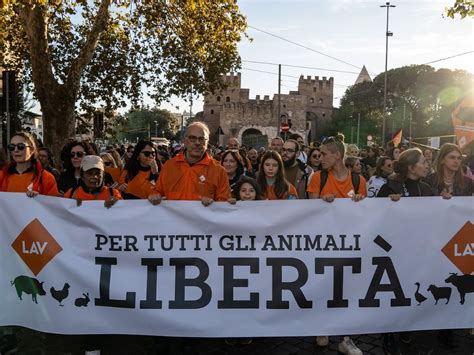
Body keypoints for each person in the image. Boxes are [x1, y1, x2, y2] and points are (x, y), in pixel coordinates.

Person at [148, 122, 231, 206]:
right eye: (192, 138)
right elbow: (157, 191)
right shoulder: (169, 166)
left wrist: (213, 203)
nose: (197, 143)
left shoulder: (219, 171)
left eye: (202, 139)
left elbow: (224, 205)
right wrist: (154, 196)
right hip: (172, 219)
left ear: (207, 142)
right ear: (184, 140)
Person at [307, 136, 367, 202]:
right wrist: (323, 202)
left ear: (337, 155)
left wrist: (358, 200)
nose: (320, 158)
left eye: (324, 154)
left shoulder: (359, 181)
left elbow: (363, 210)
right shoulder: (317, 177)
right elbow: (313, 209)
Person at [0, 131, 58, 197]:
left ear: (32, 150)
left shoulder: (46, 178)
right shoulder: (2, 176)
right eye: (12, 147)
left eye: (21, 146)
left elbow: (53, 205)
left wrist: (40, 199)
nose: (16, 150)